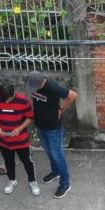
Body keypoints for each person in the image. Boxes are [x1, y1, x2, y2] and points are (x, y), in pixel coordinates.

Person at [25, 71, 75, 199]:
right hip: (40, 125)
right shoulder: (33, 84)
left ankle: (65, 184)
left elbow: (73, 95)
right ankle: (55, 172)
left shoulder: (52, 87)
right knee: (48, 151)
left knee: (58, 155)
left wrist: (62, 109)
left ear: (42, 82)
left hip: (53, 128)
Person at [0, 80, 38, 196]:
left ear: (13, 94)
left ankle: (32, 181)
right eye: (3, 99)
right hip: (4, 139)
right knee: (8, 161)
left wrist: (20, 128)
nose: (6, 102)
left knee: (27, 161)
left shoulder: (23, 100)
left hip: (21, 139)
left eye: (8, 99)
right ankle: (12, 180)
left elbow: (29, 117)